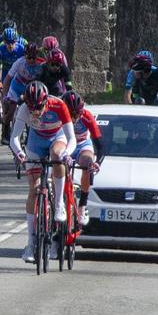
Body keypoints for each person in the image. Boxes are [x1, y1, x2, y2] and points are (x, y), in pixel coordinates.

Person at [9, 77, 77, 262]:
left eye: (39, 107)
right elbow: (14, 138)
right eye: (32, 108)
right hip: (35, 142)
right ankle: (31, 244)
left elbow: (72, 139)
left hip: (57, 138)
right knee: (34, 189)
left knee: (56, 155)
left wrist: (66, 154)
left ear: (46, 102)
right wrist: (20, 154)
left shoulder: (59, 105)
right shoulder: (24, 108)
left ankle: (58, 205)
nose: (36, 112)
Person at [61, 85, 102, 228]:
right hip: (65, 145)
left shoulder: (87, 116)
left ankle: (82, 206)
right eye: (70, 114)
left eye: (77, 114)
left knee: (87, 162)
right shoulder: (58, 114)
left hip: (82, 145)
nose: (74, 118)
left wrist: (97, 163)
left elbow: (99, 145)